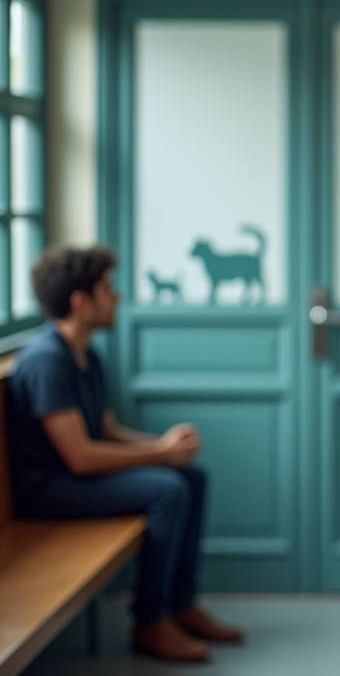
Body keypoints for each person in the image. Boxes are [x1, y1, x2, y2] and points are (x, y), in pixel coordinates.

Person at [6, 246, 243, 662]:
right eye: (107, 289)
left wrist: (166, 445)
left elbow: (106, 430)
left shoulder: (86, 355)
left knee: (192, 475)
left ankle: (180, 604)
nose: (116, 297)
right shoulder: (47, 362)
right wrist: (160, 455)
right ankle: (150, 621)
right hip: (48, 489)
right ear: (82, 302)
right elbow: (79, 456)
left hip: (74, 478)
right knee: (167, 489)